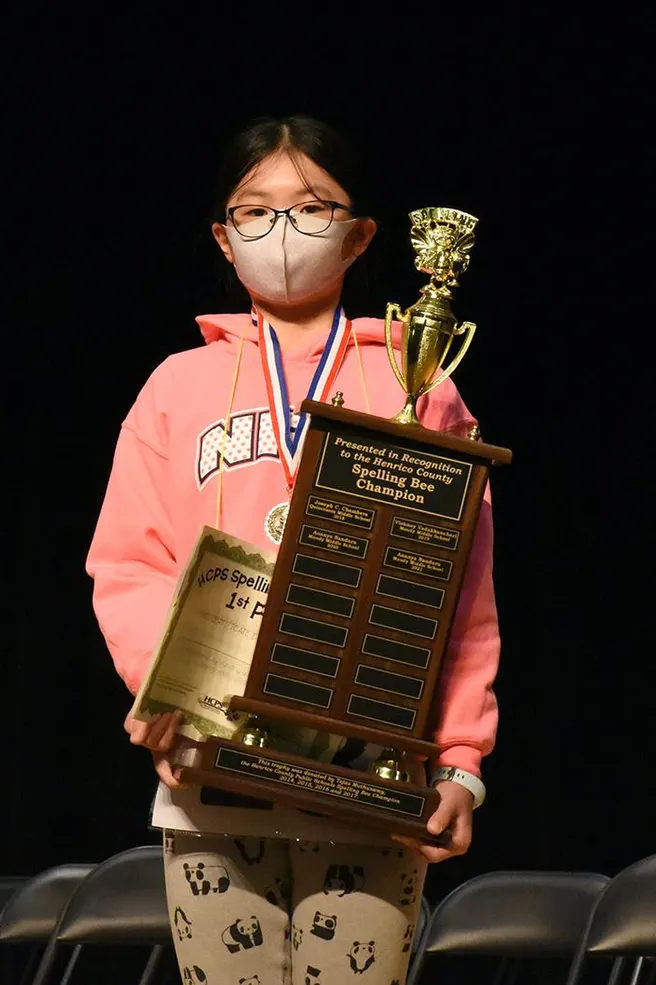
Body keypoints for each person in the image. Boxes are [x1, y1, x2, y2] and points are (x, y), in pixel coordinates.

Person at [85, 116, 499, 985]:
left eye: (311, 208)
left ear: (359, 234)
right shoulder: (175, 387)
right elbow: (128, 564)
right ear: (223, 240)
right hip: (213, 771)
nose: (283, 234)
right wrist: (163, 685)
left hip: (371, 778)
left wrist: (462, 756)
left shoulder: (418, 384)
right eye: (255, 212)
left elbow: (461, 592)